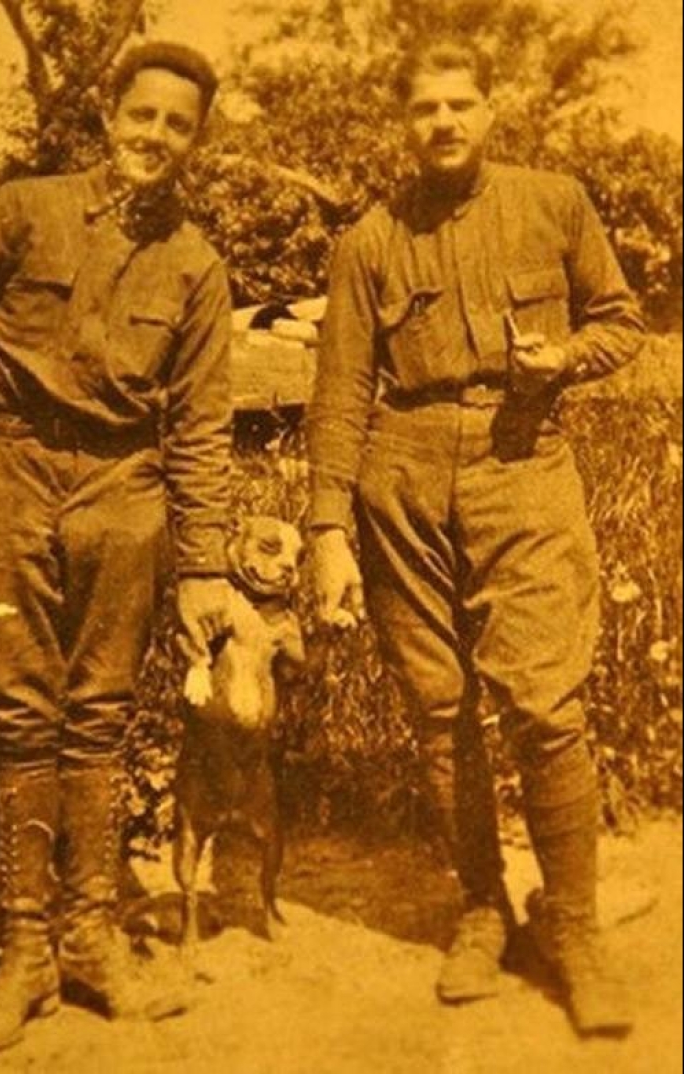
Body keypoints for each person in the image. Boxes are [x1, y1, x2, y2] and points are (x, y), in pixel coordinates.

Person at [0, 42, 233, 1054]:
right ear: (109, 114)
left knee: (98, 713)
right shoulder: (21, 209)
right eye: (144, 117)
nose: (157, 139)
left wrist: (208, 562)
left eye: (178, 127)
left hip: (124, 494)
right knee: (17, 712)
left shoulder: (198, 265)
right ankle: (24, 948)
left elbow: (203, 425)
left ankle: (89, 938)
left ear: (195, 142)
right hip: (8, 476)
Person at [309, 41, 645, 1037]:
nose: (444, 122)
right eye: (425, 109)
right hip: (402, 474)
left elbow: (621, 321)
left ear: (491, 111)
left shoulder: (555, 201)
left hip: (523, 457)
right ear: (402, 124)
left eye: (461, 104)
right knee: (436, 705)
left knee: (545, 700)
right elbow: (337, 395)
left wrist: (568, 357)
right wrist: (328, 527)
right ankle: (479, 905)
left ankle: (573, 924)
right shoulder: (368, 240)